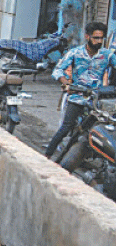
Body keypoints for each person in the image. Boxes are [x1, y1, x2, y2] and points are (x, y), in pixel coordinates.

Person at [44, 21, 115, 158]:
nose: (99, 41)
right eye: (96, 38)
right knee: (66, 128)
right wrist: (65, 83)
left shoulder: (107, 55)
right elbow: (57, 71)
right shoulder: (75, 53)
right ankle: (47, 155)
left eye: (101, 38)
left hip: (96, 100)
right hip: (77, 96)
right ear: (87, 36)